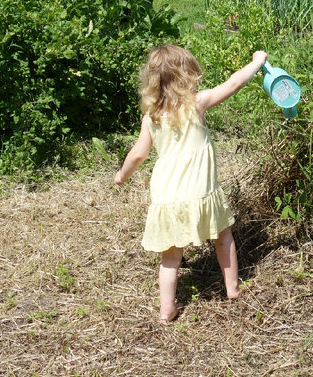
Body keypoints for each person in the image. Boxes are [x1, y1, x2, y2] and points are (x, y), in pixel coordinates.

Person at [114, 45, 268, 322]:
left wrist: (121, 175)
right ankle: (232, 288)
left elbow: (138, 154)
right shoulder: (196, 104)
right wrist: (258, 61)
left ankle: (166, 310)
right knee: (223, 237)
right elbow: (234, 83)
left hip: (166, 197)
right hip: (201, 192)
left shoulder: (150, 117)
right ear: (186, 76)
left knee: (170, 258)